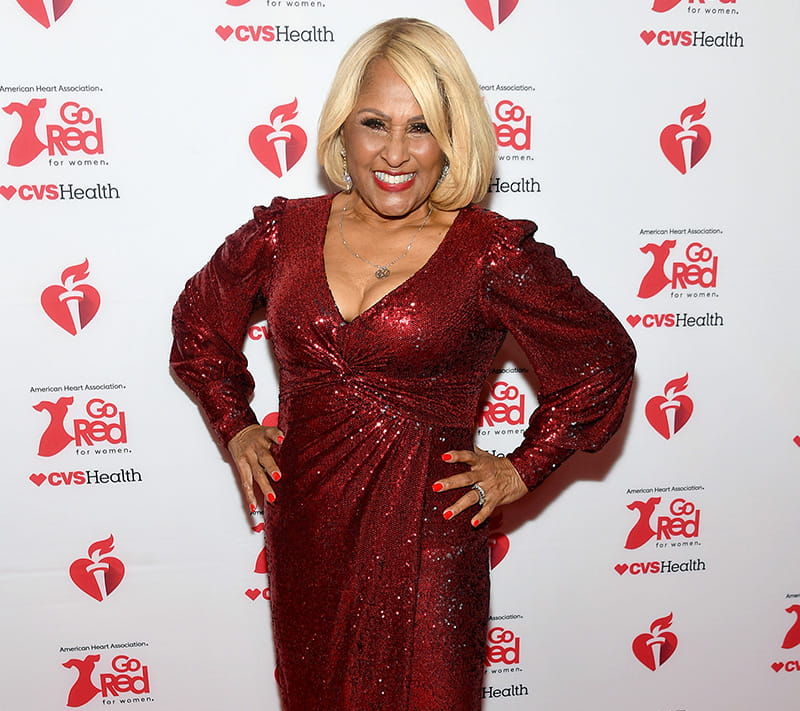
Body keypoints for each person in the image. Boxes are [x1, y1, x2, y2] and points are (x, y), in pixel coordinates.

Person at [170, 17, 635, 711]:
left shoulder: (490, 252)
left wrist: (522, 466)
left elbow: (602, 359)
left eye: (420, 126)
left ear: (452, 138)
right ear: (341, 132)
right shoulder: (282, 233)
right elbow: (199, 324)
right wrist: (235, 423)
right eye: (373, 123)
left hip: (429, 548)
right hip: (310, 535)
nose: (395, 151)